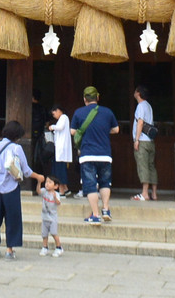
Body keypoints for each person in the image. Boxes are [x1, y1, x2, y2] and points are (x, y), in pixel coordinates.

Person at [0, 120, 42, 260]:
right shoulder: (17, 149)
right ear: (17, 135)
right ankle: (9, 249)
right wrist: (38, 177)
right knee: (12, 217)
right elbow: (26, 170)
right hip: (11, 187)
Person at [70, 86, 119, 224]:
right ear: (97, 97)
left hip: (87, 154)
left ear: (84, 99)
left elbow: (73, 131)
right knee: (105, 182)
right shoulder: (107, 112)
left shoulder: (79, 112)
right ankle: (106, 209)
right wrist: (104, 131)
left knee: (90, 185)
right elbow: (116, 129)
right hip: (105, 154)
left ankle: (95, 215)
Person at [132, 85, 159, 201]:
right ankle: (154, 193)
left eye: (135, 91)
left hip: (142, 140)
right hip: (150, 141)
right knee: (151, 166)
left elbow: (140, 123)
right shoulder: (148, 106)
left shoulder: (140, 106)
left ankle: (144, 193)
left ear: (138, 93)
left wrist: (136, 139)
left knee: (143, 166)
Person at [49, 105, 73, 198]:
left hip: (61, 149)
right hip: (59, 149)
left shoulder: (64, 117)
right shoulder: (62, 119)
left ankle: (61, 191)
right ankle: (65, 189)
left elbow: (60, 127)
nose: (54, 115)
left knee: (60, 170)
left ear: (59, 110)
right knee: (59, 169)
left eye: (54, 112)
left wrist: (52, 127)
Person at [38, 175, 63, 257]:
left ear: (55, 186)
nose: (47, 184)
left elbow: (58, 203)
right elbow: (38, 191)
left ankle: (59, 247)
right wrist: (39, 183)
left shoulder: (56, 194)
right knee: (44, 234)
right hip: (44, 217)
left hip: (52, 218)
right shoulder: (44, 191)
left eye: (50, 182)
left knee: (54, 233)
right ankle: (45, 247)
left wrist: (55, 197)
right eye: (46, 182)